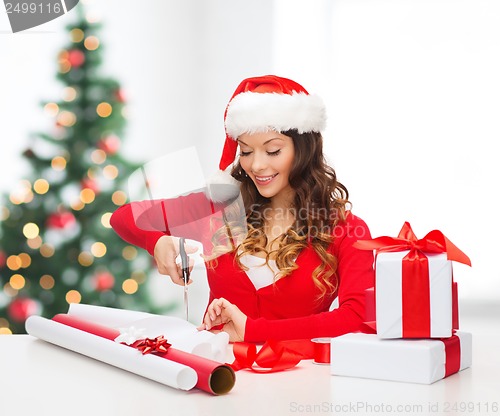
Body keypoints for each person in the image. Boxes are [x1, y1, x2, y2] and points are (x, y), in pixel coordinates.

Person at [110, 75, 374, 343]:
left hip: (300, 382)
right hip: (216, 378)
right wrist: (156, 241)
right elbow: (124, 217)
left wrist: (255, 331)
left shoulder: (347, 230)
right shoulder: (222, 207)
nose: (256, 165)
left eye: (272, 151)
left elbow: (358, 317)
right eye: (246, 152)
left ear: (304, 150)